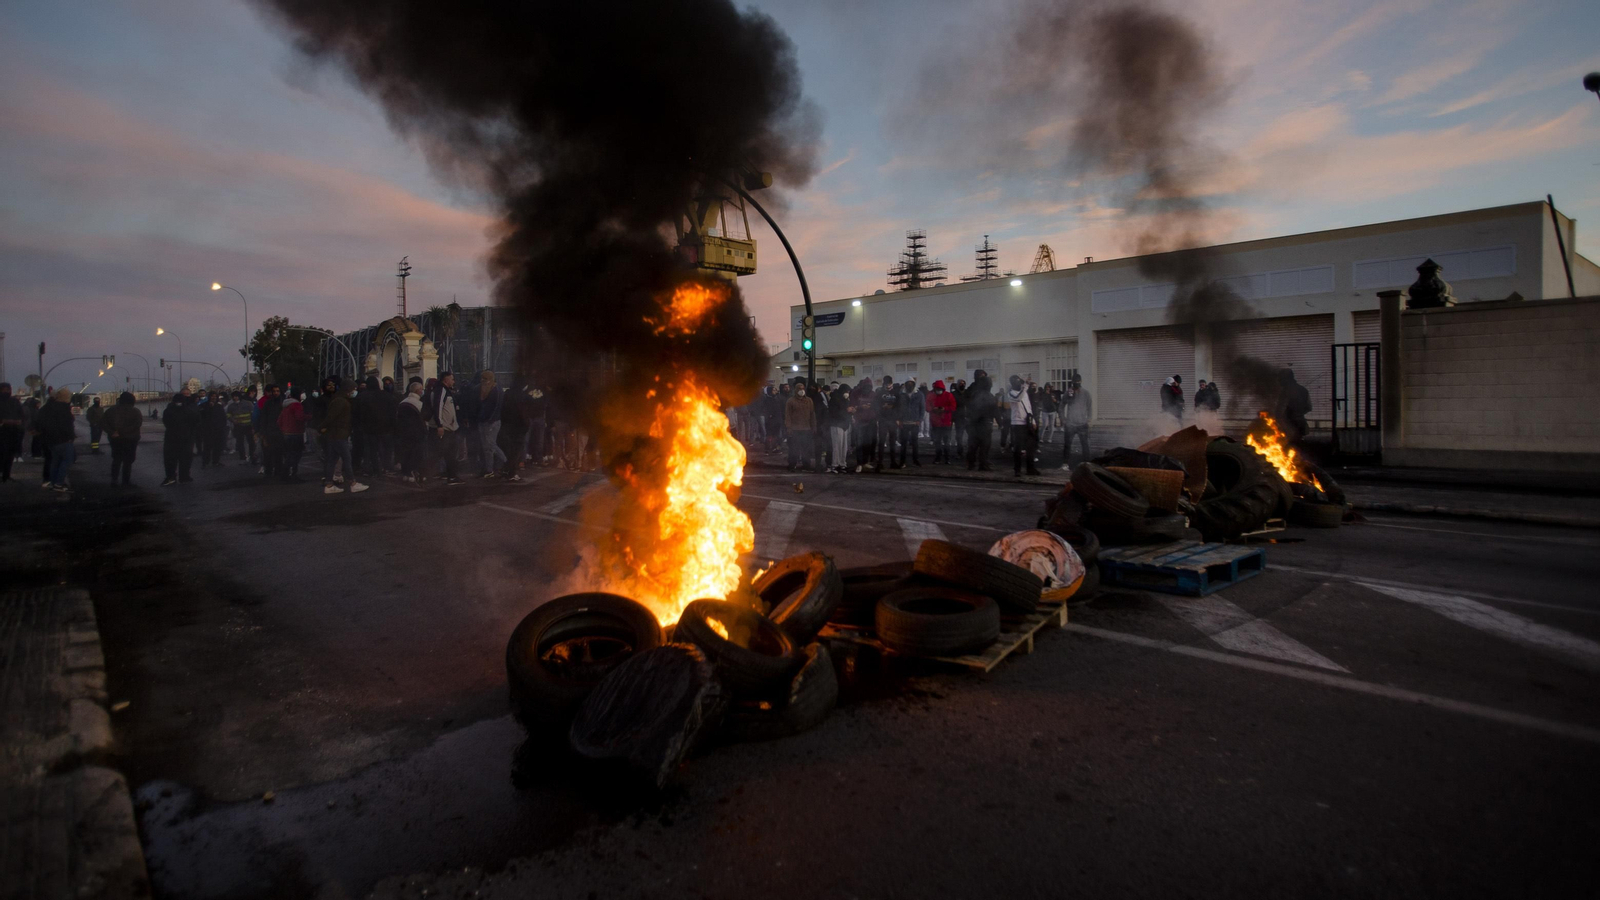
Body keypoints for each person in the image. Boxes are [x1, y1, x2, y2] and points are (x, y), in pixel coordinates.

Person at [319, 376, 368, 494]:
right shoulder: (341, 401)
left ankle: (329, 485)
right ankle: (352, 483)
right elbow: (331, 417)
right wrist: (321, 427)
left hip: (335, 434)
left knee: (332, 459)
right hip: (339, 434)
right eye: (353, 389)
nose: (354, 391)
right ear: (348, 389)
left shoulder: (338, 399)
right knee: (347, 458)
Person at [358, 375, 398, 477]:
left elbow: (359, 413)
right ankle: (385, 468)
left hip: (368, 428)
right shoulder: (386, 396)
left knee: (370, 450)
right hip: (385, 428)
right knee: (385, 450)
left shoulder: (362, 396)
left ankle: (371, 469)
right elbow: (392, 413)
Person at [427, 371, 463, 484]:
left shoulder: (446, 391)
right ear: (446, 380)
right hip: (445, 428)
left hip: (449, 428)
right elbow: (437, 407)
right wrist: (440, 425)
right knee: (440, 453)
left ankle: (452, 476)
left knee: (448, 454)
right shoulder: (441, 390)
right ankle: (423, 472)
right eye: (452, 379)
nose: (453, 381)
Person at [39, 387, 77, 492]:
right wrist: (70, 437)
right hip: (63, 439)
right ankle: (59, 483)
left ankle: (53, 482)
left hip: (51, 440)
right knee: (67, 460)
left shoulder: (50, 407)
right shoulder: (64, 408)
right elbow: (66, 425)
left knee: (55, 461)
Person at [103, 392, 143, 486]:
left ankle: (114, 480)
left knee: (116, 459)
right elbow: (137, 424)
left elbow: (103, 423)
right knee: (128, 461)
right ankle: (125, 481)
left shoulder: (110, 411)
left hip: (115, 439)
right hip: (130, 439)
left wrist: (113, 432)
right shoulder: (135, 411)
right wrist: (124, 432)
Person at [161, 389, 199, 486]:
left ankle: (172, 477)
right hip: (183, 438)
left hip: (174, 438)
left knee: (173, 459)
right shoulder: (188, 410)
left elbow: (166, 422)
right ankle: (182, 476)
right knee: (183, 459)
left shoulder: (169, 410)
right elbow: (195, 422)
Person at [1006, 375, 1040, 477]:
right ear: (1012, 383)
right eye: (1017, 381)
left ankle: (1030, 469)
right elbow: (1017, 398)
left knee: (1031, 447)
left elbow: (1028, 408)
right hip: (1017, 424)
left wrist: (1033, 421)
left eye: (1020, 381)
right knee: (1018, 448)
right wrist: (1025, 387)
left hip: (1027, 423)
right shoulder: (1011, 393)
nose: (1019, 383)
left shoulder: (1024, 392)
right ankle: (1017, 470)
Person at [476, 370, 506, 478]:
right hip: (486, 421)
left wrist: (489, 419)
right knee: (487, 447)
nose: (482, 381)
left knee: (490, 445)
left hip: (491, 422)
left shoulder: (496, 390)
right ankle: (490, 469)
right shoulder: (488, 389)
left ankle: (506, 463)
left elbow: (496, 407)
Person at [965, 371, 997, 471]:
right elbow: (994, 410)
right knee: (984, 445)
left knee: (973, 445)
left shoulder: (973, 392)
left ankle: (971, 464)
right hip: (984, 423)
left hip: (974, 423)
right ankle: (982, 464)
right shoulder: (989, 396)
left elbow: (969, 406)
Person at [397, 381, 428, 482]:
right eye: (421, 389)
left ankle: (406, 473)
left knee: (406, 453)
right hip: (417, 433)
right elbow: (424, 418)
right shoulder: (418, 403)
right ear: (418, 390)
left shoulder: (402, 402)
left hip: (403, 433)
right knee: (416, 454)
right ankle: (416, 473)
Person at [784, 382, 817, 472]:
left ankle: (806, 465)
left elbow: (812, 414)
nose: (801, 391)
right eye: (799, 389)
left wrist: (814, 427)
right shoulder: (791, 401)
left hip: (806, 429)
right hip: (795, 429)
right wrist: (789, 427)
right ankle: (792, 465)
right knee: (794, 449)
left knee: (806, 449)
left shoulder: (809, 400)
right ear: (796, 390)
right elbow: (788, 415)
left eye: (803, 389)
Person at [1275, 368, 1312, 444]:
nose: (1279, 381)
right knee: (1299, 448)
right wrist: (1299, 413)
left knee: (1287, 448)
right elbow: (1309, 407)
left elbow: (1279, 409)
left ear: (1286, 379)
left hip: (1288, 425)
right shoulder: (1303, 390)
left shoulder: (1284, 392)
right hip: (1301, 424)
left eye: (1281, 378)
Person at [1061, 378, 1092, 467]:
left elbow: (1089, 406)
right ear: (1072, 382)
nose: (1077, 384)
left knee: (1085, 444)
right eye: (1075, 382)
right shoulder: (1068, 392)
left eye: (1078, 382)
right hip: (1070, 423)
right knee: (1067, 444)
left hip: (1082, 423)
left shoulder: (1086, 393)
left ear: (1081, 381)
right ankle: (1065, 463)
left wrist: (1089, 419)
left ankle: (1087, 464)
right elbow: (1061, 405)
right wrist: (1063, 419)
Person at [277, 389, 308, 480]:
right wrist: (308, 417)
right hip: (296, 433)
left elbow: (279, 421)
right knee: (296, 454)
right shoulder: (297, 405)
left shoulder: (285, 406)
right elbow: (299, 417)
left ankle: (286, 473)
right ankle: (292, 474)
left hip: (286, 434)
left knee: (289, 454)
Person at [259, 384, 285, 479]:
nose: (276, 393)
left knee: (279, 453)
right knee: (268, 453)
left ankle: (278, 470)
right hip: (269, 431)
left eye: (278, 391)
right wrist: (263, 433)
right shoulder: (268, 403)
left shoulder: (283, 403)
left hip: (280, 432)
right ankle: (268, 470)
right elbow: (263, 418)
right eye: (274, 391)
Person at [926, 380, 955, 464]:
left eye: (940, 389)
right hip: (936, 423)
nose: (938, 391)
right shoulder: (931, 396)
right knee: (937, 441)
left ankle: (947, 458)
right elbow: (927, 407)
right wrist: (933, 409)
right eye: (937, 389)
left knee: (946, 442)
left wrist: (944, 409)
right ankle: (938, 457)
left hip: (946, 422)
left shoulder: (948, 395)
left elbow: (953, 407)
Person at [0, 383, 23, 483]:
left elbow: (21, 414)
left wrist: (18, 422)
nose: (6, 392)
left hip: (13, 431)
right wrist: (5, 421)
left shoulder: (14, 401)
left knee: (10, 454)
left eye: (8, 389)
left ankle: (6, 475)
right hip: (2, 431)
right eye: (4, 389)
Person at [200, 390, 228, 468]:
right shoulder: (204, 405)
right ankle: (205, 462)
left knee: (217, 447)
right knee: (207, 447)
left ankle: (216, 461)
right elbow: (202, 417)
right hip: (208, 430)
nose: (213, 398)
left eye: (215, 397)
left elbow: (223, 417)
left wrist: (223, 427)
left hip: (218, 430)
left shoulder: (219, 406)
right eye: (212, 396)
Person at [896, 380, 922, 467]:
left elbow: (922, 407)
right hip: (904, 422)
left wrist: (920, 419)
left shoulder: (919, 394)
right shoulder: (901, 394)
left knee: (915, 442)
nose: (909, 386)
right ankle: (902, 461)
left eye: (911, 384)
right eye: (908, 384)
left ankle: (916, 460)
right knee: (903, 443)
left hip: (915, 422)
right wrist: (898, 419)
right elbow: (898, 407)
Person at [227, 392, 257, 464]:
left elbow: (253, 414)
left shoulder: (248, 403)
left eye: (236, 396)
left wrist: (253, 426)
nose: (235, 398)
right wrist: (232, 420)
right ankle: (242, 457)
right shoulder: (231, 406)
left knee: (251, 442)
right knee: (240, 442)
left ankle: (252, 456)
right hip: (238, 426)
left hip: (248, 425)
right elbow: (228, 415)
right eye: (234, 397)